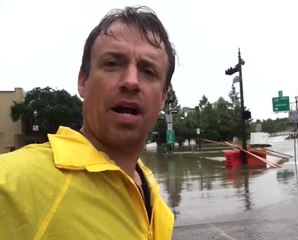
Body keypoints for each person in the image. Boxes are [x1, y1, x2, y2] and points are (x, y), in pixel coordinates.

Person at [0, 6, 175, 240]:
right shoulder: (15, 181)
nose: (131, 81)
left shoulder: (157, 201)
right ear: (83, 81)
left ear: (163, 98)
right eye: (113, 63)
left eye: (148, 71)